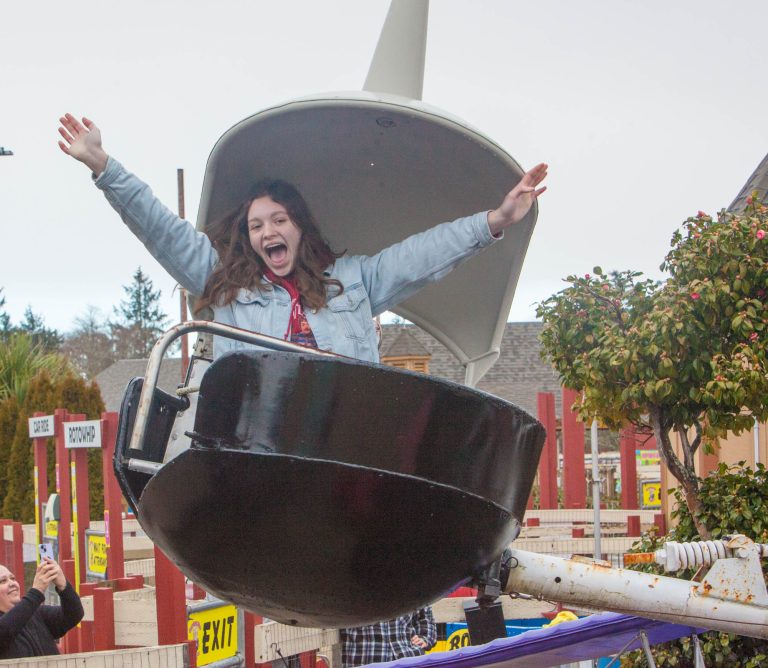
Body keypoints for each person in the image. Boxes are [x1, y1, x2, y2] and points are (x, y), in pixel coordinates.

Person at [57, 113, 547, 362]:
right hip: (260, 437)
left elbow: (423, 255)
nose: (268, 231)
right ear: (247, 240)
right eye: (255, 226)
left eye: (278, 220)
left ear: (298, 228)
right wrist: (103, 166)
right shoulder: (227, 284)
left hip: (338, 431)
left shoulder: (354, 282)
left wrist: (497, 218)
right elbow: (160, 228)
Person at [0, 558, 84, 659]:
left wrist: (63, 586)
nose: (12, 583)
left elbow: (74, 614)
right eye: (3, 581)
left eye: (13, 578)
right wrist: (36, 591)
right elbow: (5, 630)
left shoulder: (36, 613)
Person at [340, 607, 437, 667]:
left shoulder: (411, 581)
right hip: (366, 659)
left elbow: (426, 617)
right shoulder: (352, 583)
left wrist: (425, 638)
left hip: (408, 658)